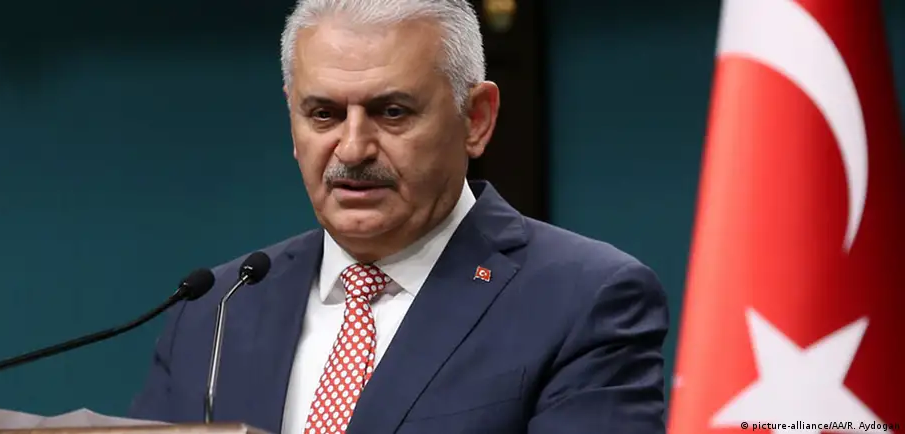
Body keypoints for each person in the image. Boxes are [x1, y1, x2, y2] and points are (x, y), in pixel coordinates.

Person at [128, 0, 670, 433]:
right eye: (324, 114)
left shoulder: (583, 301)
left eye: (392, 112)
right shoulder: (215, 309)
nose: (353, 148)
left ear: (476, 119)